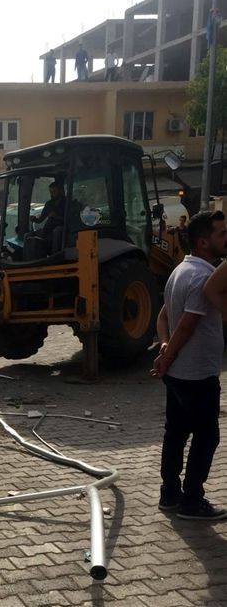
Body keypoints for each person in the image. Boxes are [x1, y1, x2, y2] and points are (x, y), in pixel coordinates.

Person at [151, 210, 227, 520]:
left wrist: (165, 348)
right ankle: (192, 500)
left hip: (178, 374)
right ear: (203, 241)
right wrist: (166, 355)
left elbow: (163, 317)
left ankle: (170, 494)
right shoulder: (200, 277)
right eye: (222, 234)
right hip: (195, 374)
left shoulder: (181, 270)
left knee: (176, 433)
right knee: (206, 437)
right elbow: (185, 326)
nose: (226, 238)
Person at [30, 180, 66, 245]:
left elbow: (70, 220)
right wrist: (34, 219)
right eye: (50, 192)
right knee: (28, 236)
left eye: (54, 192)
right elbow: (41, 219)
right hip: (47, 229)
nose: (51, 194)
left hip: (62, 232)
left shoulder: (66, 203)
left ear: (60, 191)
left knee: (57, 231)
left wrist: (56, 217)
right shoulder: (49, 204)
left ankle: (55, 254)